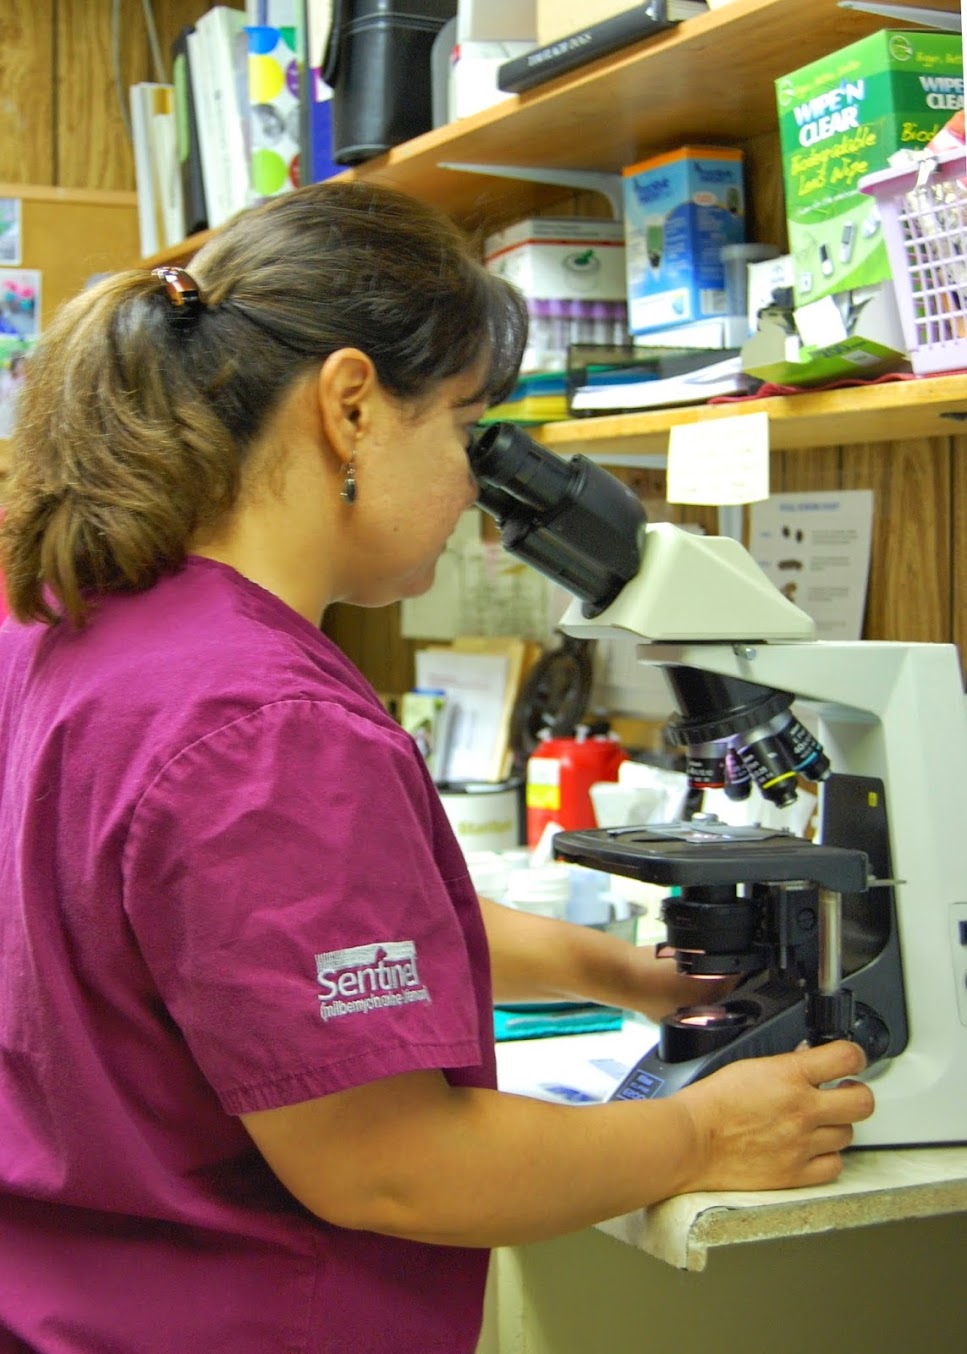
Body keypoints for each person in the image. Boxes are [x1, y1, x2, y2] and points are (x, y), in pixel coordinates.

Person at [0, 180, 873, 1354]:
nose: (473, 486)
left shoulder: (60, 623)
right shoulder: (266, 728)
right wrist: (704, 1137)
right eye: (464, 428)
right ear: (352, 406)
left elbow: (260, 938)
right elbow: (392, 1166)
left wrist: (620, 972)